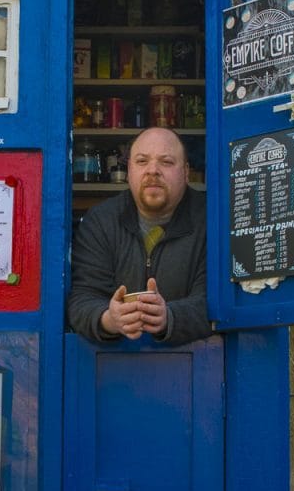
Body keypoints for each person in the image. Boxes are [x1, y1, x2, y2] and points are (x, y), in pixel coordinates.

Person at [67, 126, 212, 346]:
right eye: (142, 161)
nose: (153, 170)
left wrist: (169, 317)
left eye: (166, 162)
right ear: (129, 171)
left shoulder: (211, 220)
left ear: (185, 172)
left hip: (199, 366)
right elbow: (81, 298)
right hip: (111, 367)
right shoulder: (101, 220)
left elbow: (216, 302)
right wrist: (109, 319)